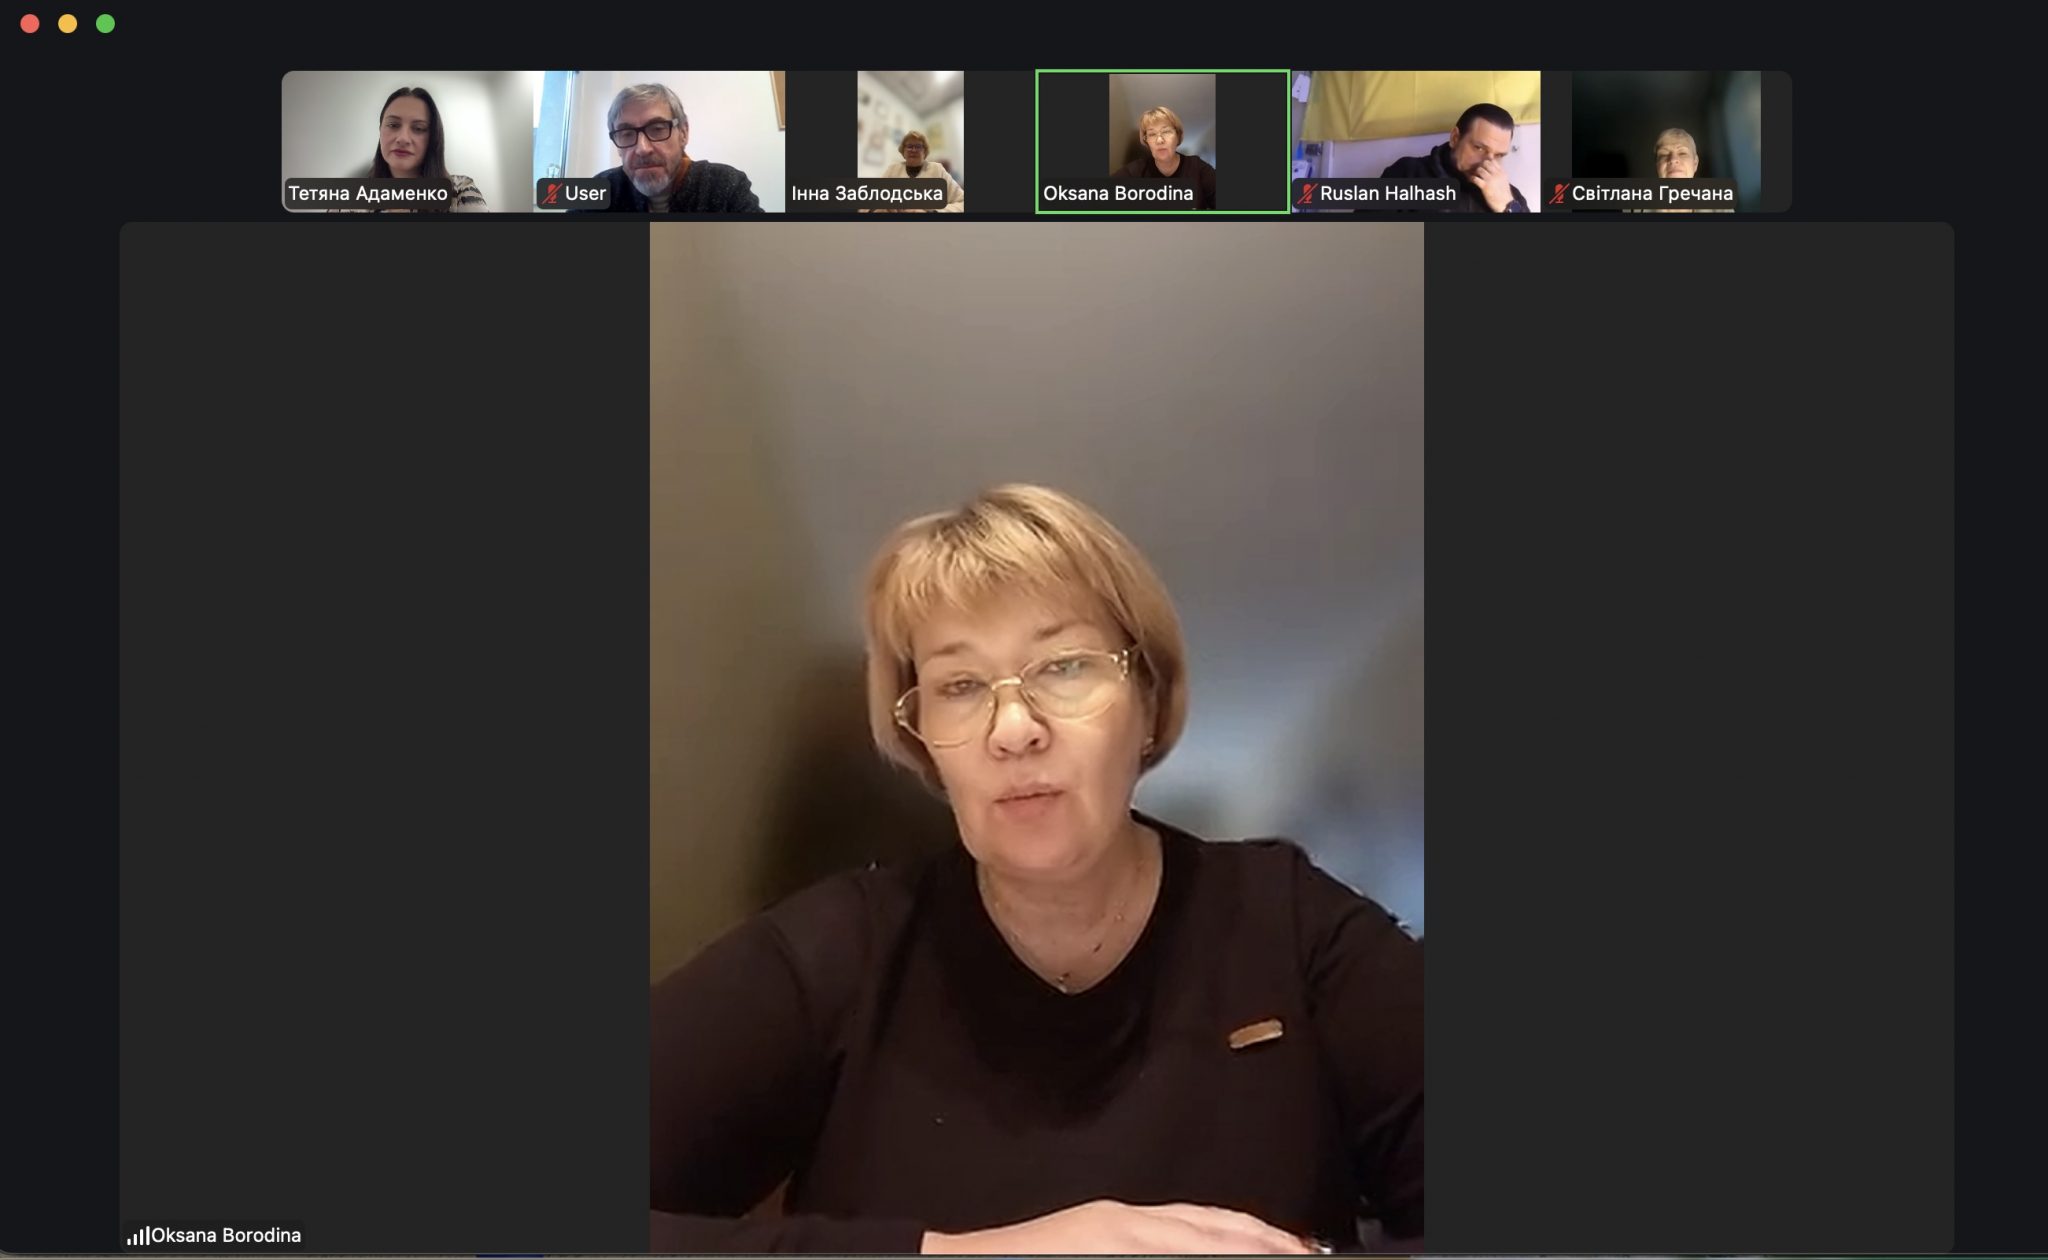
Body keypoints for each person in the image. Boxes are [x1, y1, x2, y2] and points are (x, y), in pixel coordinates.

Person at [650, 484, 1424, 1253]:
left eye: (1064, 666)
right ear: (925, 743)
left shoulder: (1293, 931)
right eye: (960, 686)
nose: (1014, 729)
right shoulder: (832, 958)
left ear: (1147, 702)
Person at [593, 83, 762, 213]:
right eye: (627, 134)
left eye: (657, 129)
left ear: (683, 132)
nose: (642, 149)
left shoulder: (727, 185)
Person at [1377, 102, 1528, 213]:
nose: (1488, 163)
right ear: (1455, 138)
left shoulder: (1509, 195)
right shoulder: (1408, 173)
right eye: (1479, 148)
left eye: (1499, 155)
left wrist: (1507, 206)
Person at [364, 86, 487, 212]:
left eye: (418, 128)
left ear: (433, 137)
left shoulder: (461, 192)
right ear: (380, 129)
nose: (403, 138)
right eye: (393, 125)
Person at [1111, 106, 1218, 209]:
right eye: (1152, 134)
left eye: (1166, 132)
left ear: (1178, 136)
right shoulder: (1135, 171)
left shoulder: (1198, 168)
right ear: (1147, 142)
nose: (1159, 140)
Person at [874, 130, 964, 212]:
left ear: (925, 152)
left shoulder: (937, 170)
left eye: (918, 146)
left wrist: (932, 212)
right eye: (909, 146)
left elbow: (962, 202)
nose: (913, 150)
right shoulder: (893, 169)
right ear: (903, 151)